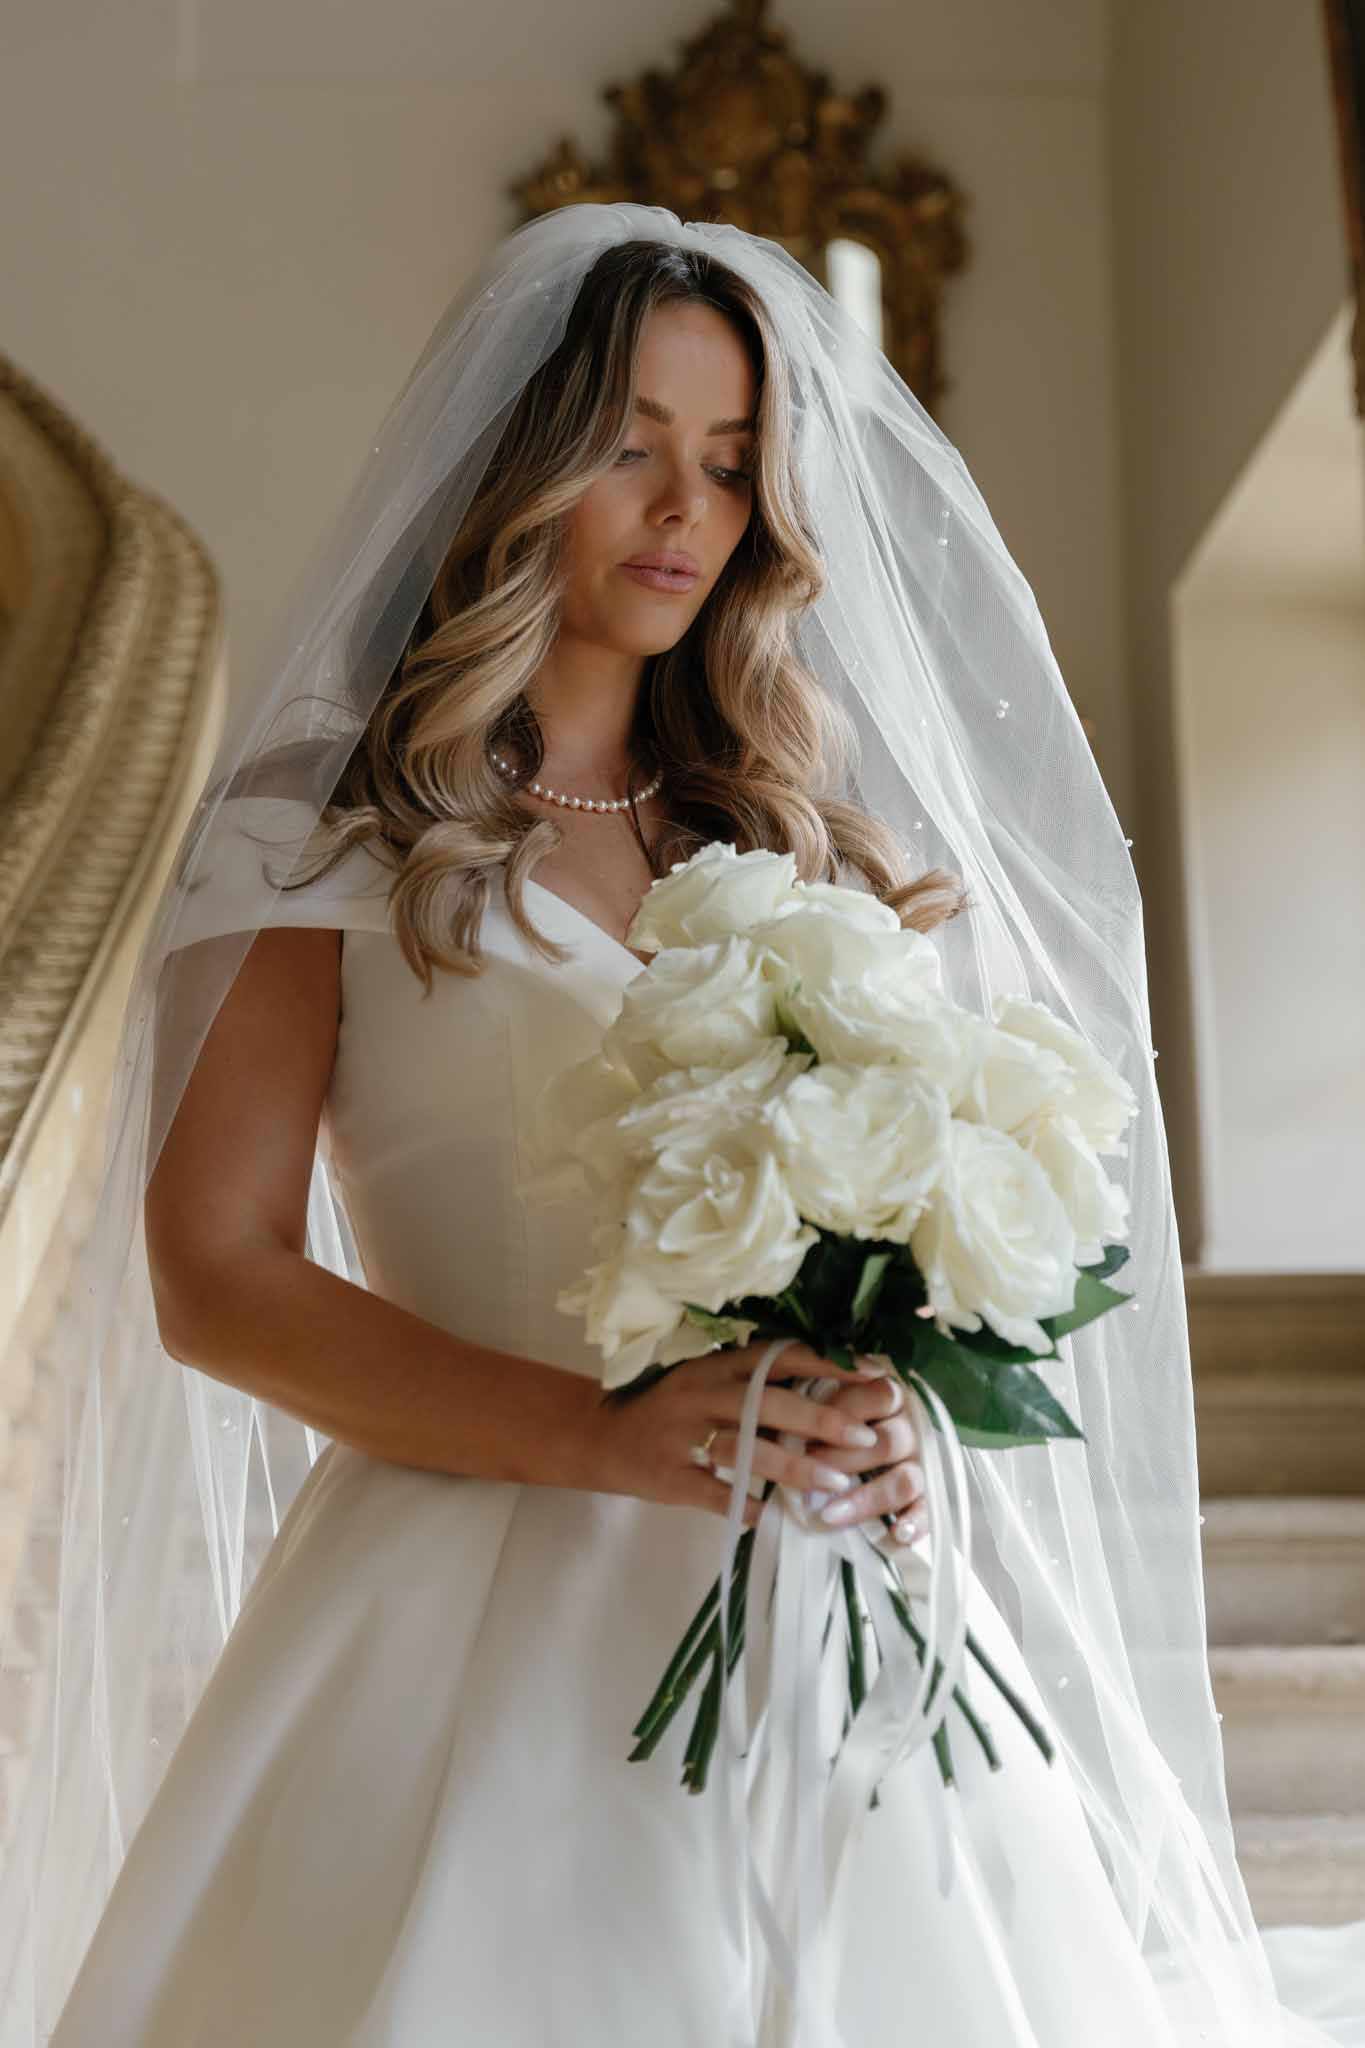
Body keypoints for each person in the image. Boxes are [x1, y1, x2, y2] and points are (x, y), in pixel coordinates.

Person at [3, 203, 1362, 2047]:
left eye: (727, 465)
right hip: (460, 1586)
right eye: (629, 449)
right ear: (519, 466)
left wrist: (886, 1394)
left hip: (818, 1597)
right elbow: (216, 1277)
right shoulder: (323, 824)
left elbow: (864, 1221)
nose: (681, 511)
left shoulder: (787, 831)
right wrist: (598, 1433)